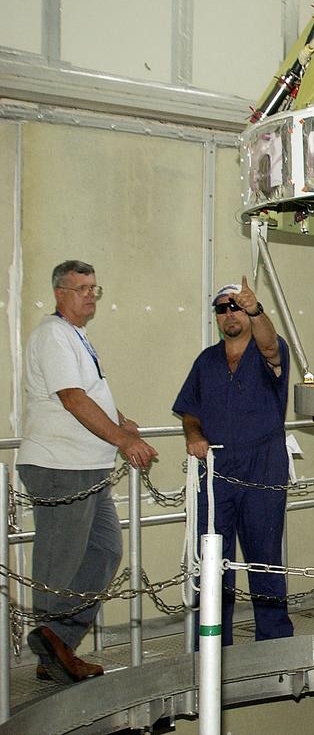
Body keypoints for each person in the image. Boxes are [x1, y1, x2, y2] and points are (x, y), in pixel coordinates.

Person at [18, 260, 158, 684]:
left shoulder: (76, 336)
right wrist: (124, 441)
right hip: (60, 466)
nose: (89, 296)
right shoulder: (53, 335)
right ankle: (53, 645)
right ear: (59, 293)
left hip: (86, 467)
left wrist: (121, 420)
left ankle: (56, 646)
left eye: (94, 288)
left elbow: (90, 392)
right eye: (81, 288)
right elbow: (72, 398)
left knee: (103, 551)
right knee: (60, 563)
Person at [173, 277, 294, 644]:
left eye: (236, 307)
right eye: (223, 308)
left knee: (264, 556)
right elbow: (189, 410)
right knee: (212, 558)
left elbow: (271, 345)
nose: (230, 314)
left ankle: (273, 641)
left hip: (263, 465)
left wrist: (257, 309)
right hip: (216, 470)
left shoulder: (268, 353)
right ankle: (212, 641)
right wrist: (194, 435)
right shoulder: (207, 361)